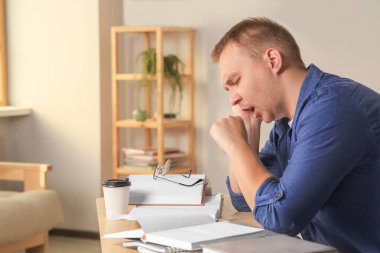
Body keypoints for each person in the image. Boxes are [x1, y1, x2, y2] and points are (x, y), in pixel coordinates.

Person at [209, 17, 380, 253]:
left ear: (273, 60)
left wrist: (236, 146)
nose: (232, 99)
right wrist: (248, 130)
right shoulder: (286, 125)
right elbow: (247, 201)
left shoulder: (333, 108)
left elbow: (279, 217)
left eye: (236, 81)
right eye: (228, 90)